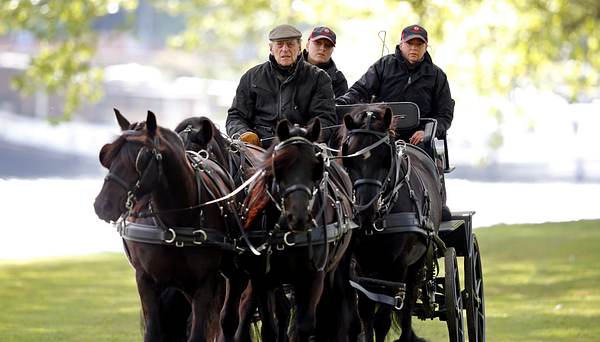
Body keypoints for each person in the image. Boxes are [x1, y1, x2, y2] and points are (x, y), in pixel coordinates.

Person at [336, 24, 455, 220]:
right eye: (410, 43)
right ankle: (353, 198)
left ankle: (436, 201)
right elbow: (360, 90)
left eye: (419, 44)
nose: (414, 48)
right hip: (381, 133)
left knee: (431, 156)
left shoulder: (436, 76)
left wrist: (427, 131)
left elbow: (445, 114)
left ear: (426, 47)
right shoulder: (383, 66)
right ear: (401, 44)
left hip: (418, 137)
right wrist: (341, 103)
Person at [226, 24, 336, 148]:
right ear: (271, 48)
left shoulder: (319, 78)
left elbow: (325, 119)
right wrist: (244, 134)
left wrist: (305, 135)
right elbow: (236, 116)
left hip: (302, 148)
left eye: (290, 44)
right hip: (257, 149)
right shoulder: (252, 76)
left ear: (299, 47)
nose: (285, 49)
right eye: (279, 44)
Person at [303, 26, 348, 98]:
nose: (322, 48)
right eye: (318, 43)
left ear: (332, 50)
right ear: (308, 45)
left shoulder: (338, 80)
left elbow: (340, 107)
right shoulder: (291, 68)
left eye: (328, 45)